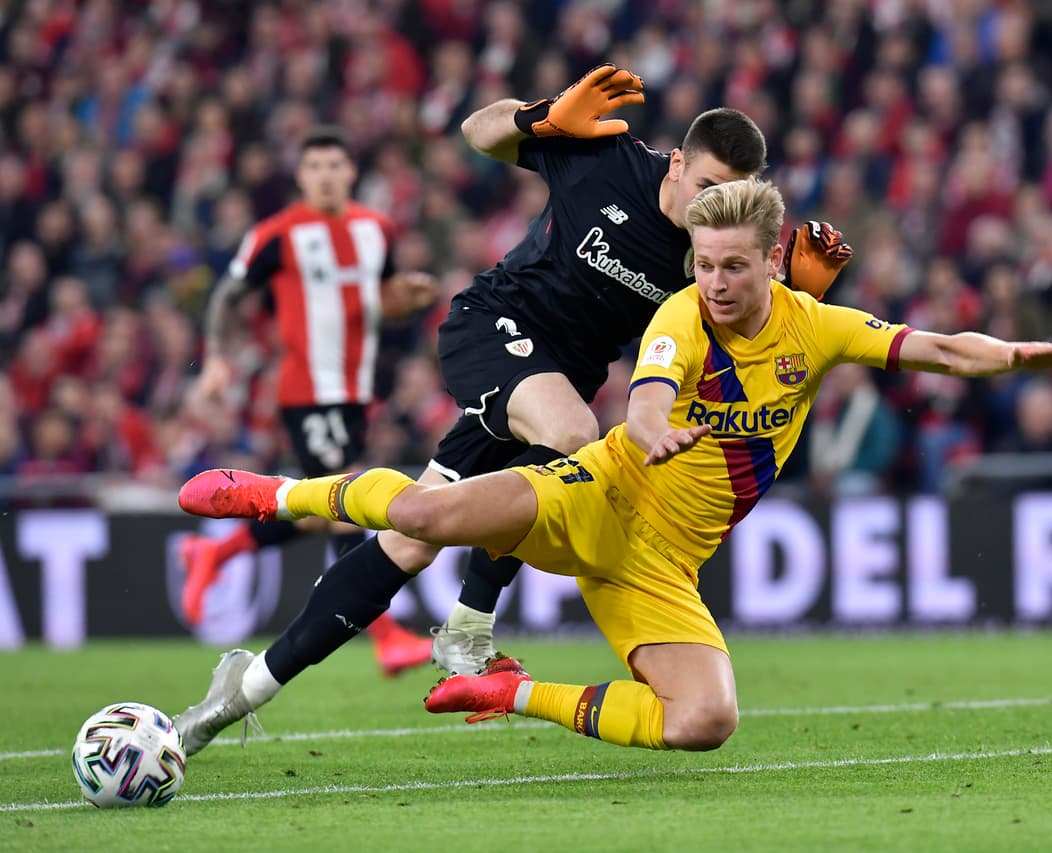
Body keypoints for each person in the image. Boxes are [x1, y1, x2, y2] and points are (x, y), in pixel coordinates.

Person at [177, 178, 1052, 753]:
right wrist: (650, 429)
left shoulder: (820, 328)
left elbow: (937, 348)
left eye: (734, 267)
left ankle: (508, 688)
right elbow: (649, 394)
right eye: (702, 263)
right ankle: (271, 491)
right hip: (597, 494)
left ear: (773, 261)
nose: (715, 282)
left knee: (706, 721)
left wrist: (1011, 354)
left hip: (659, 567)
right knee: (422, 518)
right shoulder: (681, 318)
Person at [171, 67, 848, 757]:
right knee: (576, 438)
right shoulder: (609, 161)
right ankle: (466, 627)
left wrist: (796, 296)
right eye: (705, 188)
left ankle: (241, 690)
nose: (714, 209)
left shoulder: (714, 260)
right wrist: (540, 116)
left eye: (731, 197)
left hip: (548, 384)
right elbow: (478, 133)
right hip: (492, 328)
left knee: (413, 535)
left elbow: (752, 350)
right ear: (676, 162)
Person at [181, 126, 438, 676]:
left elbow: (384, 300)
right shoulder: (277, 234)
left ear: (350, 173)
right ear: (300, 176)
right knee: (345, 503)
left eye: (334, 165)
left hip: (355, 392)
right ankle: (387, 635)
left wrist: (409, 300)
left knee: (320, 508)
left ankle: (216, 553)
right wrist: (217, 356)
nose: (325, 175)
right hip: (307, 391)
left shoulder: (378, 230)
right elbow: (227, 294)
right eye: (314, 166)